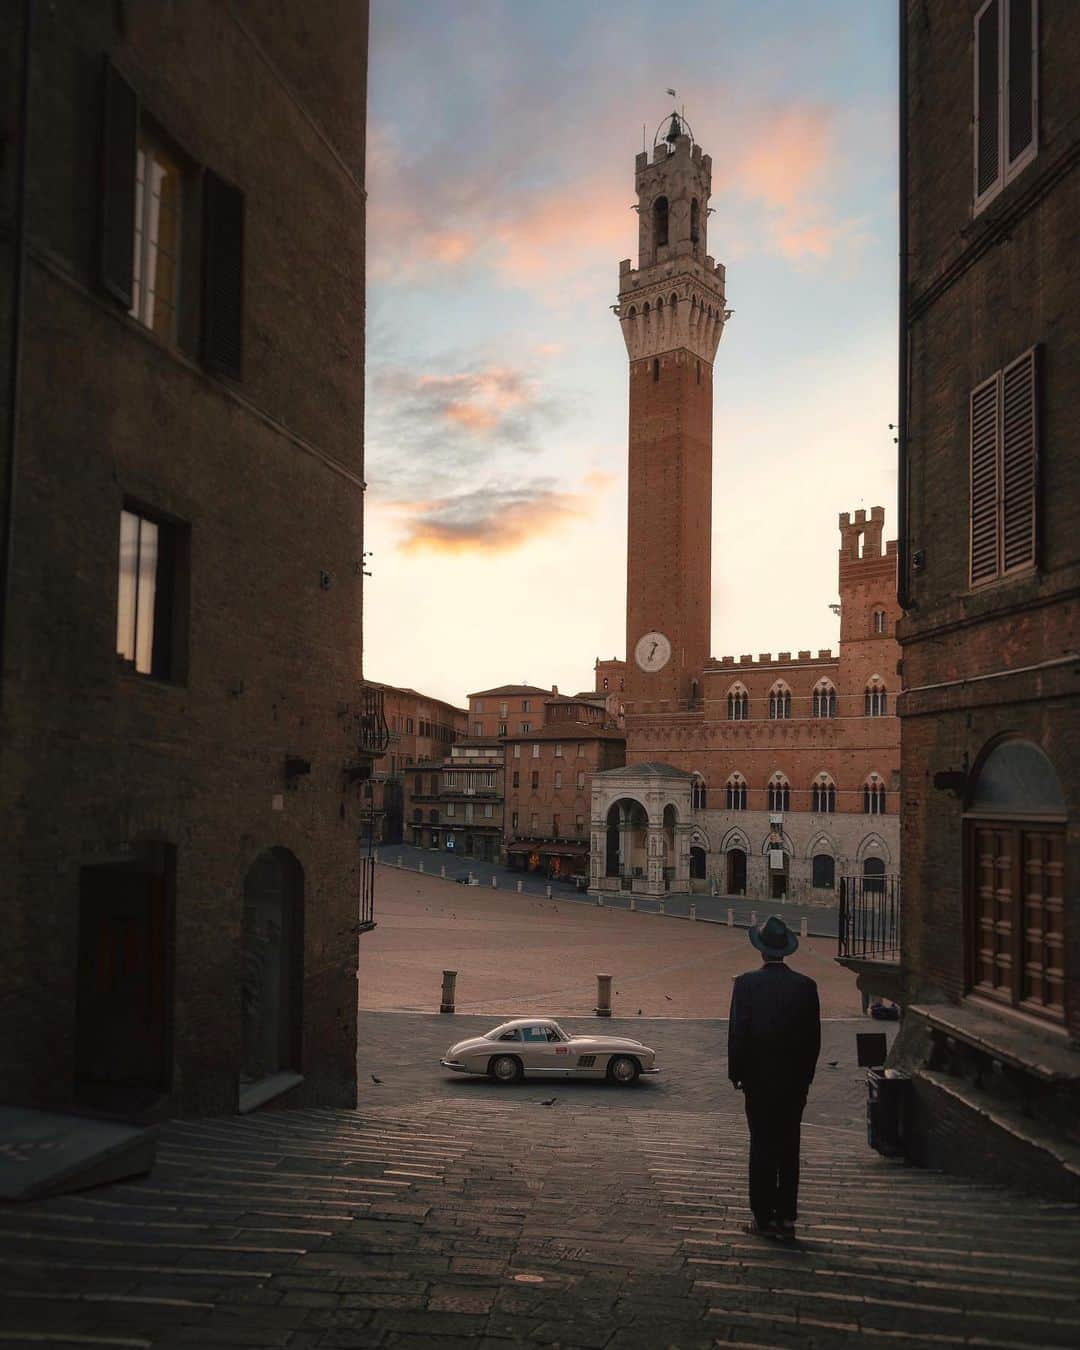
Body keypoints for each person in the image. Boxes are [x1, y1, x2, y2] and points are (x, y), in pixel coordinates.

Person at [727, 914, 821, 1241]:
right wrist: (805, 1078)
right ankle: (787, 1218)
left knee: (762, 1145)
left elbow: (737, 1035)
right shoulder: (807, 987)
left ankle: (762, 1218)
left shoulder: (746, 984)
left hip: (758, 1081)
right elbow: (814, 1040)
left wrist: (736, 1074)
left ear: (761, 951)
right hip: (794, 1084)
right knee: (789, 1146)